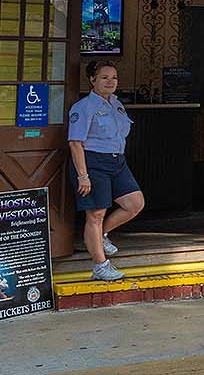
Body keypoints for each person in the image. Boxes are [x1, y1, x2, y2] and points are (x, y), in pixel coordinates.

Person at [68, 60, 143, 282]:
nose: (110, 82)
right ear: (92, 80)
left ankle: (100, 236)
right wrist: (83, 175)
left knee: (134, 204)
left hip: (117, 161)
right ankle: (100, 266)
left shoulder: (116, 104)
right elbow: (75, 143)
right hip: (93, 162)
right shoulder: (83, 107)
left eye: (114, 78)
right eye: (104, 77)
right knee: (96, 214)